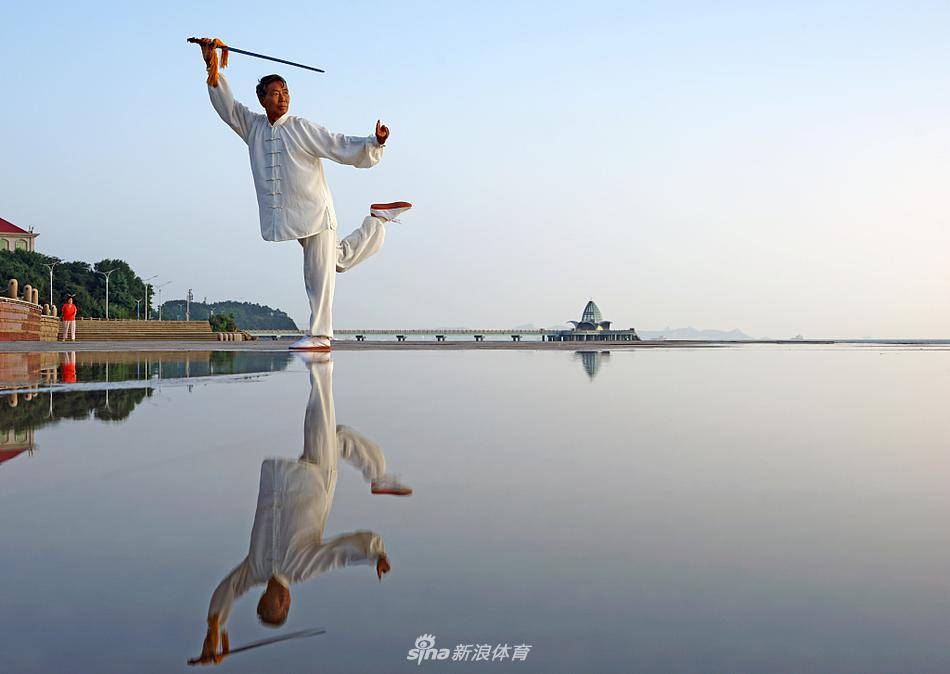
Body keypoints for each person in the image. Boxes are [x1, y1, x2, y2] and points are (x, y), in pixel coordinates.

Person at [193, 38, 412, 352]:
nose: (282, 98)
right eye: (275, 93)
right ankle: (377, 221)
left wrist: (374, 143)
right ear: (261, 98)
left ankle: (320, 334)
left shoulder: (300, 127)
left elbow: (338, 143)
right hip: (290, 215)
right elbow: (227, 107)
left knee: (317, 272)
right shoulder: (252, 126)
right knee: (336, 261)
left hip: (316, 211)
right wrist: (210, 62)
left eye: (286, 92)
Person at [195, 353, 411, 664]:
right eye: (275, 607)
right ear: (279, 602)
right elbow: (339, 553)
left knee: (328, 418)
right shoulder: (279, 570)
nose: (275, 601)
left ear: (275, 601)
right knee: (327, 419)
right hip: (307, 476)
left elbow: (228, 590)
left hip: (302, 476)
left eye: (271, 606)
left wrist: (214, 629)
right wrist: (374, 552)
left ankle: (320, 361)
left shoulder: (271, 569)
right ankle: (375, 472)